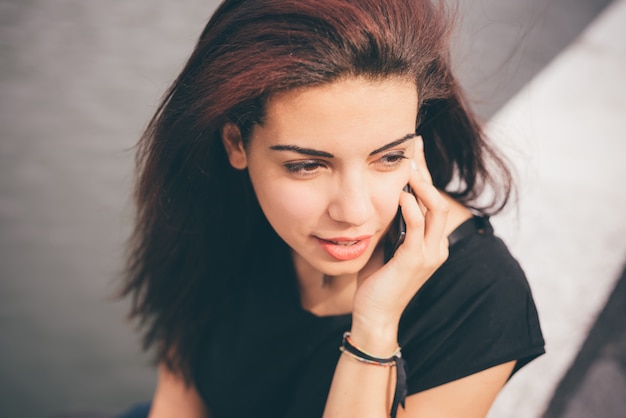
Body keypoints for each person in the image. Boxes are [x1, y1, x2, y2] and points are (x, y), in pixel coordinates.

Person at [120, 0, 545, 417]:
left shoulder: (479, 295)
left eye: (388, 158)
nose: (354, 211)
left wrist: (374, 328)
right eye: (307, 166)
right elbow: (178, 404)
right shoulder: (213, 209)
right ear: (235, 143)